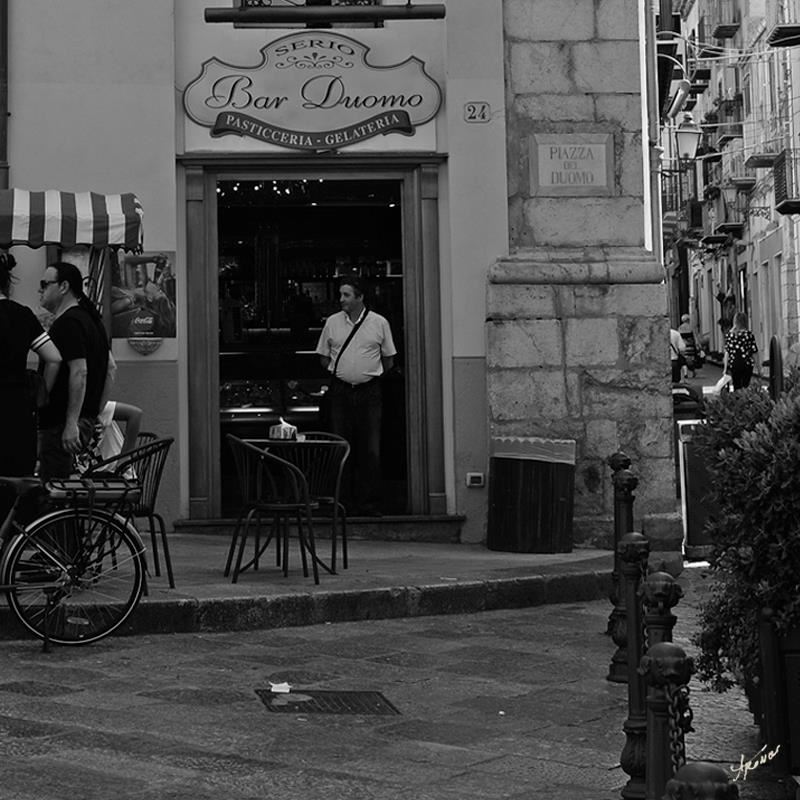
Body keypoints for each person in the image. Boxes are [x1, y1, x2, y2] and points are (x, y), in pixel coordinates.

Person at [316, 278, 397, 516]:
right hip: (340, 391)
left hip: (369, 391)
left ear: (360, 297)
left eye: (347, 295)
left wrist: (368, 374)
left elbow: (389, 359)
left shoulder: (379, 323)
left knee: (370, 449)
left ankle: (368, 503)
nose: (341, 299)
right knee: (341, 446)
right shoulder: (332, 322)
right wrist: (341, 372)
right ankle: (341, 502)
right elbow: (323, 356)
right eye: (341, 294)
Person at [37, 261, 116, 481]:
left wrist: (72, 422)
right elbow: (111, 368)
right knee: (65, 489)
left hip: (60, 424)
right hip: (81, 421)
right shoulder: (93, 320)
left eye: (44, 284)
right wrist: (93, 413)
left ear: (63, 286)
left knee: (53, 488)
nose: (40, 291)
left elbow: (80, 371)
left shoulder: (68, 323)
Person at [0, 252, 63, 518]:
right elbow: (54, 358)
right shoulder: (22, 315)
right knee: (15, 489)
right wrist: (40, 393)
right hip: (19, 414)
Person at [724, 311, 758, 390]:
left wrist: (725, 368)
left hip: (734, 364)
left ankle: (737, 397)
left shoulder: (730, 335)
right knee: (745, 385)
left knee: (736, 385)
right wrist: (758, 367)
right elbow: (754, 352)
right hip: (746, 364)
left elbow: (727, 352)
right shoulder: (749, 335)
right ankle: (744, 396)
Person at [678, 313, 700, 379]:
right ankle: (693, 371)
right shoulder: (691, 327)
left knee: (685, 359)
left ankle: (686, 373)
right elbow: (695, 337)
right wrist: (697, 344)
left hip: (683, 346)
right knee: (691, 359)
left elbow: (679, 337)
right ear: (688, 320)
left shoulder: (680, 328)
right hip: (691, 346)